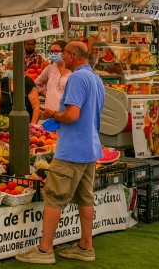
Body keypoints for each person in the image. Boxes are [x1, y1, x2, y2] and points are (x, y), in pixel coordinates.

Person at [17, 42, 103, 265]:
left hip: (71, 150)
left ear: (72, 56)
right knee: (85, 197)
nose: (60, 57)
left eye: (63, 54)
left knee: (54, 197)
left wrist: (53, 114)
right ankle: (86, 246)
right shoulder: (96, 78)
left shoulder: (76, 78)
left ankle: (45, 250)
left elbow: (72, 115)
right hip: (90, 148)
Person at [30, 40, 70, 125]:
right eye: (51, 51)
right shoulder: (50, 68)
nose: (53, 54)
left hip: (65, 113)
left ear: (64, 52)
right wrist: (47, 94)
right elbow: (36, 84)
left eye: (56, 51)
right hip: (50, 113)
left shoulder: (72, 71)